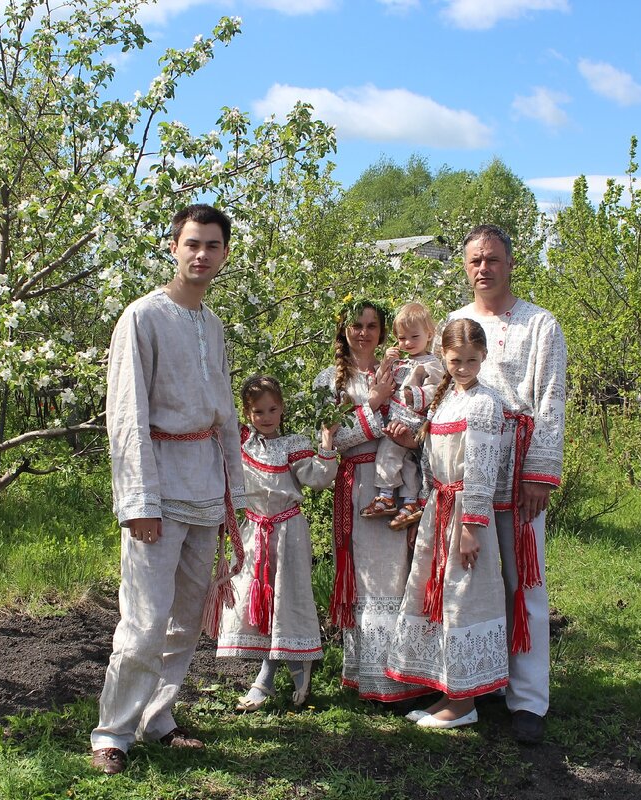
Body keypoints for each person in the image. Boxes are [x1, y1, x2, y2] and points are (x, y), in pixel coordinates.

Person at [91, 204, 247, 775]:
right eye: (192, 243)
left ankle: (158, 715)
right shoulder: (142, 317)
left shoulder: (213, 324)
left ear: (224, 253)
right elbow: (126, 415)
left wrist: (238, 491)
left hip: (205, 485)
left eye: (212, 245)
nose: (201, 254)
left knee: (185, 617)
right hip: (158, 486)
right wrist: (139, 502)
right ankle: (113, 731)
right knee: (144, 618)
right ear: (173, 248)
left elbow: (225, 414)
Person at [444, 223, 567, 744]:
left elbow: (551, 399)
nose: (484, 268)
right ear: (465, 265)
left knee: (524, 582)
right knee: (469, 582)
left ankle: (528, 699)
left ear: (510, 263)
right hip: (465, 468)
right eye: (475, 260)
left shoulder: (540, 325)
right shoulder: (455, 322)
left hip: (516, 469)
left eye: (493, 259)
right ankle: (478, 680)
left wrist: (539, 472)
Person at [385, 318, 509, 728]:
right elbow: (432, 455)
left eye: (472, 360)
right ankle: (447, 691)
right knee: (437, 598)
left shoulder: (484, 402)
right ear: (444, 356)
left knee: (461, 597)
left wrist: (472, 525)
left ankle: (464, 703)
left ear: (484, 356)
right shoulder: (444, 400)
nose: (463, 367)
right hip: (440, 507)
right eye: (456, 360)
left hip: (464, 513)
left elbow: (481, 468)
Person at [313, 300, 427, 703]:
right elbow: (332, 439)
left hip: (396, 483)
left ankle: (404, 676)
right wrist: (374, 404)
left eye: (372, 325)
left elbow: (419, 417)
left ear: (382, 331)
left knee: (400, 573)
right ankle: (370, 679)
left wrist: (410, 436)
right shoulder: (329, 379)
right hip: (356, 484)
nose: (364, 332)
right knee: (367, 580)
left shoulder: (398, 369)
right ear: (344, 330)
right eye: (357, 325)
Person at [216, 375, 339, 711]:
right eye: (258, 411)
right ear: (247, 413)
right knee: (257, 599)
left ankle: (294, 665)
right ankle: (268, 675)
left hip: (288, 531)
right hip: (254, 531)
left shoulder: (293, 445)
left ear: (282, 408)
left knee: (287, 597)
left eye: (272, 409)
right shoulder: (241, 445)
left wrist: (326, 444)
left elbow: (318, 479)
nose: (266, 417)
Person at [359, 301, 446, 532]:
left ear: (429, 334)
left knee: (388, 452)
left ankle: (386, 494)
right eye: (401, 338)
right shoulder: (402, 361)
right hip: (396, 417)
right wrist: (386, 361)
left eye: (413, 337)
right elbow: (379, 381)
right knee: (407, 462)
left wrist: (413, 395)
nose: (407, 343)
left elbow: (436, 390)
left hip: (411, 418)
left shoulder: (431, 363)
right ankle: (409, 501)